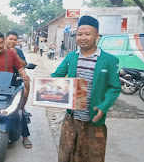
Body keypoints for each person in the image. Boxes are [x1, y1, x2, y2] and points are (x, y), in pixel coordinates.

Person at [51, 16, 121, 162]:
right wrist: (41, 85)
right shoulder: (71, 57)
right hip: (72, 119)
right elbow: (56, 76)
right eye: (79, 34)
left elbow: (114, 88)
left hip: (94, 120)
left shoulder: (109, 60)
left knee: (92, 157)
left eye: (88, 34)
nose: (83, 38)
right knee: (66, 155)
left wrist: (103, 107)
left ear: (97, 36)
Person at [0, 31, 32, 149]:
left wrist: (24, 74)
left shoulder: (11, 54)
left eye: (1, 42)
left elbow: (20, 67)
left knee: (18, 108)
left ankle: (25, 134)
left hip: (10, 86)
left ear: (3, 41)